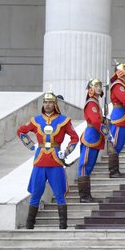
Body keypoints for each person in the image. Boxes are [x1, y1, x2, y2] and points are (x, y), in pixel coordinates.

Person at [16, 91, 79, 230]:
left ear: (55, 104)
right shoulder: (36, 120)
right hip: (39, 161)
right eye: (45, 102)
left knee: (59, 194)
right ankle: (29, 225)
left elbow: (75, 138)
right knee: (35, 194)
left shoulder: (64, 120)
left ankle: (63, 225)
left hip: (56, 161)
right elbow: (21, 131)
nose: (47, 105)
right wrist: (30, 145)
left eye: (50, 102)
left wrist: (66, 152)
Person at [75, 78, 106, 204]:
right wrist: (106, 131)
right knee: (85, 165)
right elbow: (95, 121)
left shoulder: (95, 102)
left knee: (89, 166)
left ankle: (87, 195)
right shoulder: (91, 103)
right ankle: (84, 196)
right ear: (91, 89)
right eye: (96, 86)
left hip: (95, 136)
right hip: (91, 136)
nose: (99, 88)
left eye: (100, 86)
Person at [106, 64, 125, 177]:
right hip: (119, 116)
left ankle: (115, 170)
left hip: (123, 116)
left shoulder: (122, 84)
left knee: (119, 144)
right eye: (124, 69)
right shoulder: (118, 85)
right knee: (115, 144)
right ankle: (113, 171)